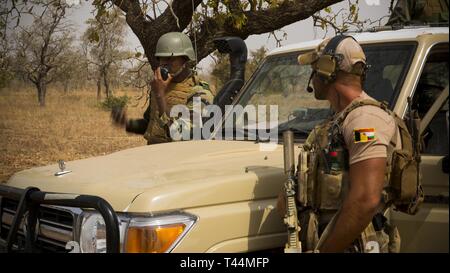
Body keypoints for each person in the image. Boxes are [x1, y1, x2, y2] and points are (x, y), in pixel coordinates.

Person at [278, 35, 422, 253]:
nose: (312, 76)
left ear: (327, 70)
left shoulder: (365, 120)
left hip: (356, 244)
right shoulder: (341, 119)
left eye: (315, 69)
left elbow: (366, 199)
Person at [112, 32, 215, 144]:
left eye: (171, 59)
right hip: (154, 154)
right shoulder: (160, 87)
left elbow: (182, 135)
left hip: (178, 157)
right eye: (162, 59)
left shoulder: (199, 91)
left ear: (185, 60)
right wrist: (127, 123)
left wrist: (160, 95)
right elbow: (151, 125)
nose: (165, 64)